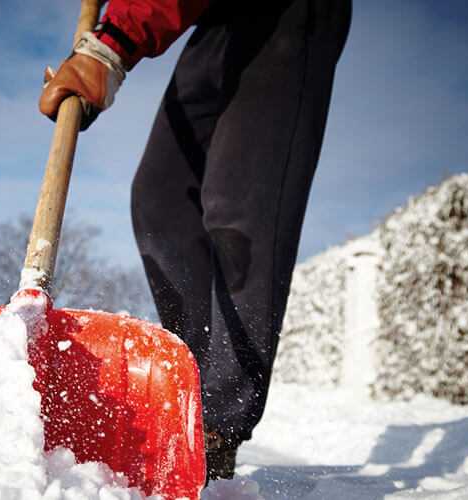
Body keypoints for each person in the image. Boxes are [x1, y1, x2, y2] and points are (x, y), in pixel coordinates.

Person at [39, 0, 351, 481]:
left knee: (238, 204)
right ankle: (187, 391)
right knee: (159, 199)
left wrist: (109, 46)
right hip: (217, 22)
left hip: (287, 12)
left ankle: (216, 425)